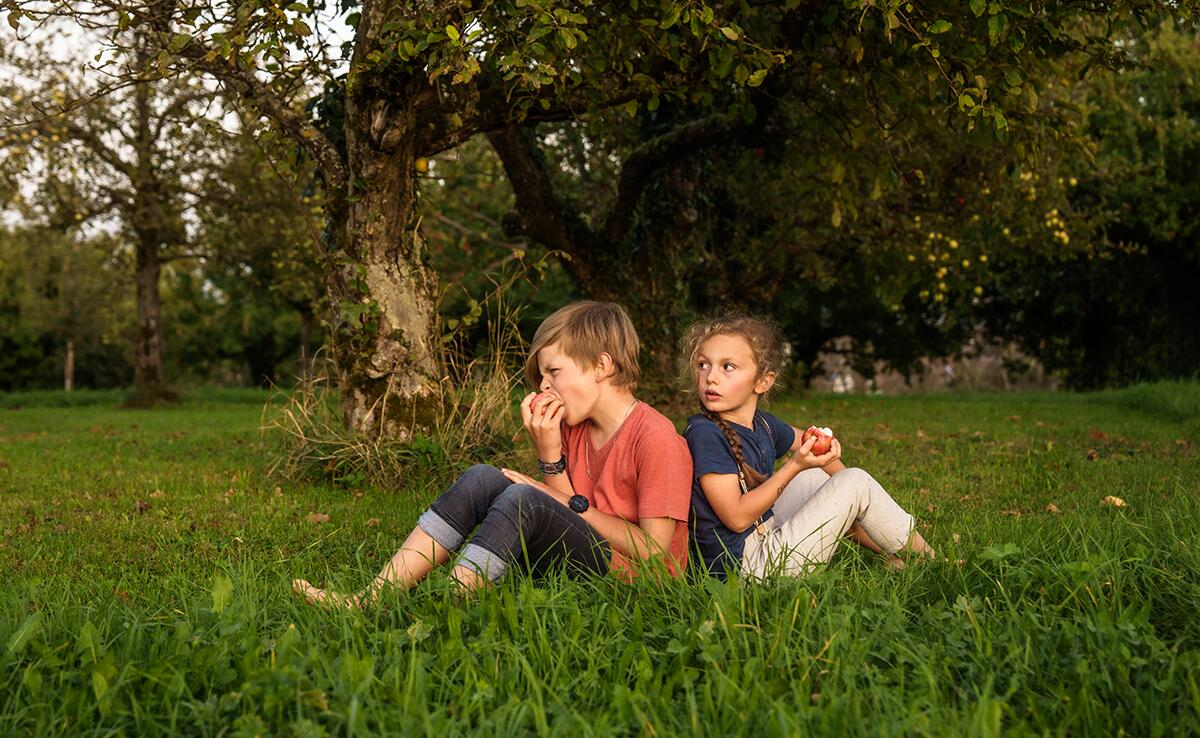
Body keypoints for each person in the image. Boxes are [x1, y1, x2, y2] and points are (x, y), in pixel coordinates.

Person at [293, 301, 693, 607]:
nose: (544, 388)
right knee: (484, 476)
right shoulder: (574, 427)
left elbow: (654, 555)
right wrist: (550, 455)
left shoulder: (656, 438)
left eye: (554, 372)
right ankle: (372, 597)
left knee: (524, 499)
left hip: (636, 582)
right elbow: (562, 510)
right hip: (585, 556)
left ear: (601, 365)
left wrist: (555, 496)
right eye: (541, 377)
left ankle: (451, 605)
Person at [680, 311, 939, 580]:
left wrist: (848, 497)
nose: (711, 377)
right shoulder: (705, 434)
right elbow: (735, 517)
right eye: (703, 365)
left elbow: (811, 443)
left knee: (819, 477)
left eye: (727, 367)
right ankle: (934, 562)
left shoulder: (763, 424)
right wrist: (799, 469)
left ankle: (895, 554)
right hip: (742, 571)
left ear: (762, 381)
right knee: (853, 481)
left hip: (761, 537)